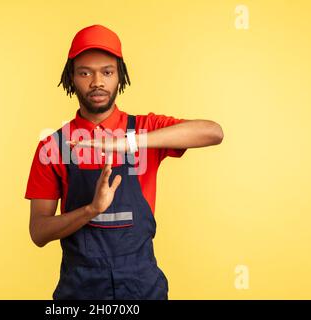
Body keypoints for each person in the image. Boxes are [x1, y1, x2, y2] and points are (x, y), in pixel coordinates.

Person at [25, 24, 224, 300]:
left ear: (120, 76)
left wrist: (127, 143)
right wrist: (90, 210)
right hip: (80, 290)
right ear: (71, 77)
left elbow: (213, 132)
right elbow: (39, 232)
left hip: (142, 287)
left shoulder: (145, 129)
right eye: (85, 73)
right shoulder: (54, 146)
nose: (97, 82)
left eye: (107, 72)